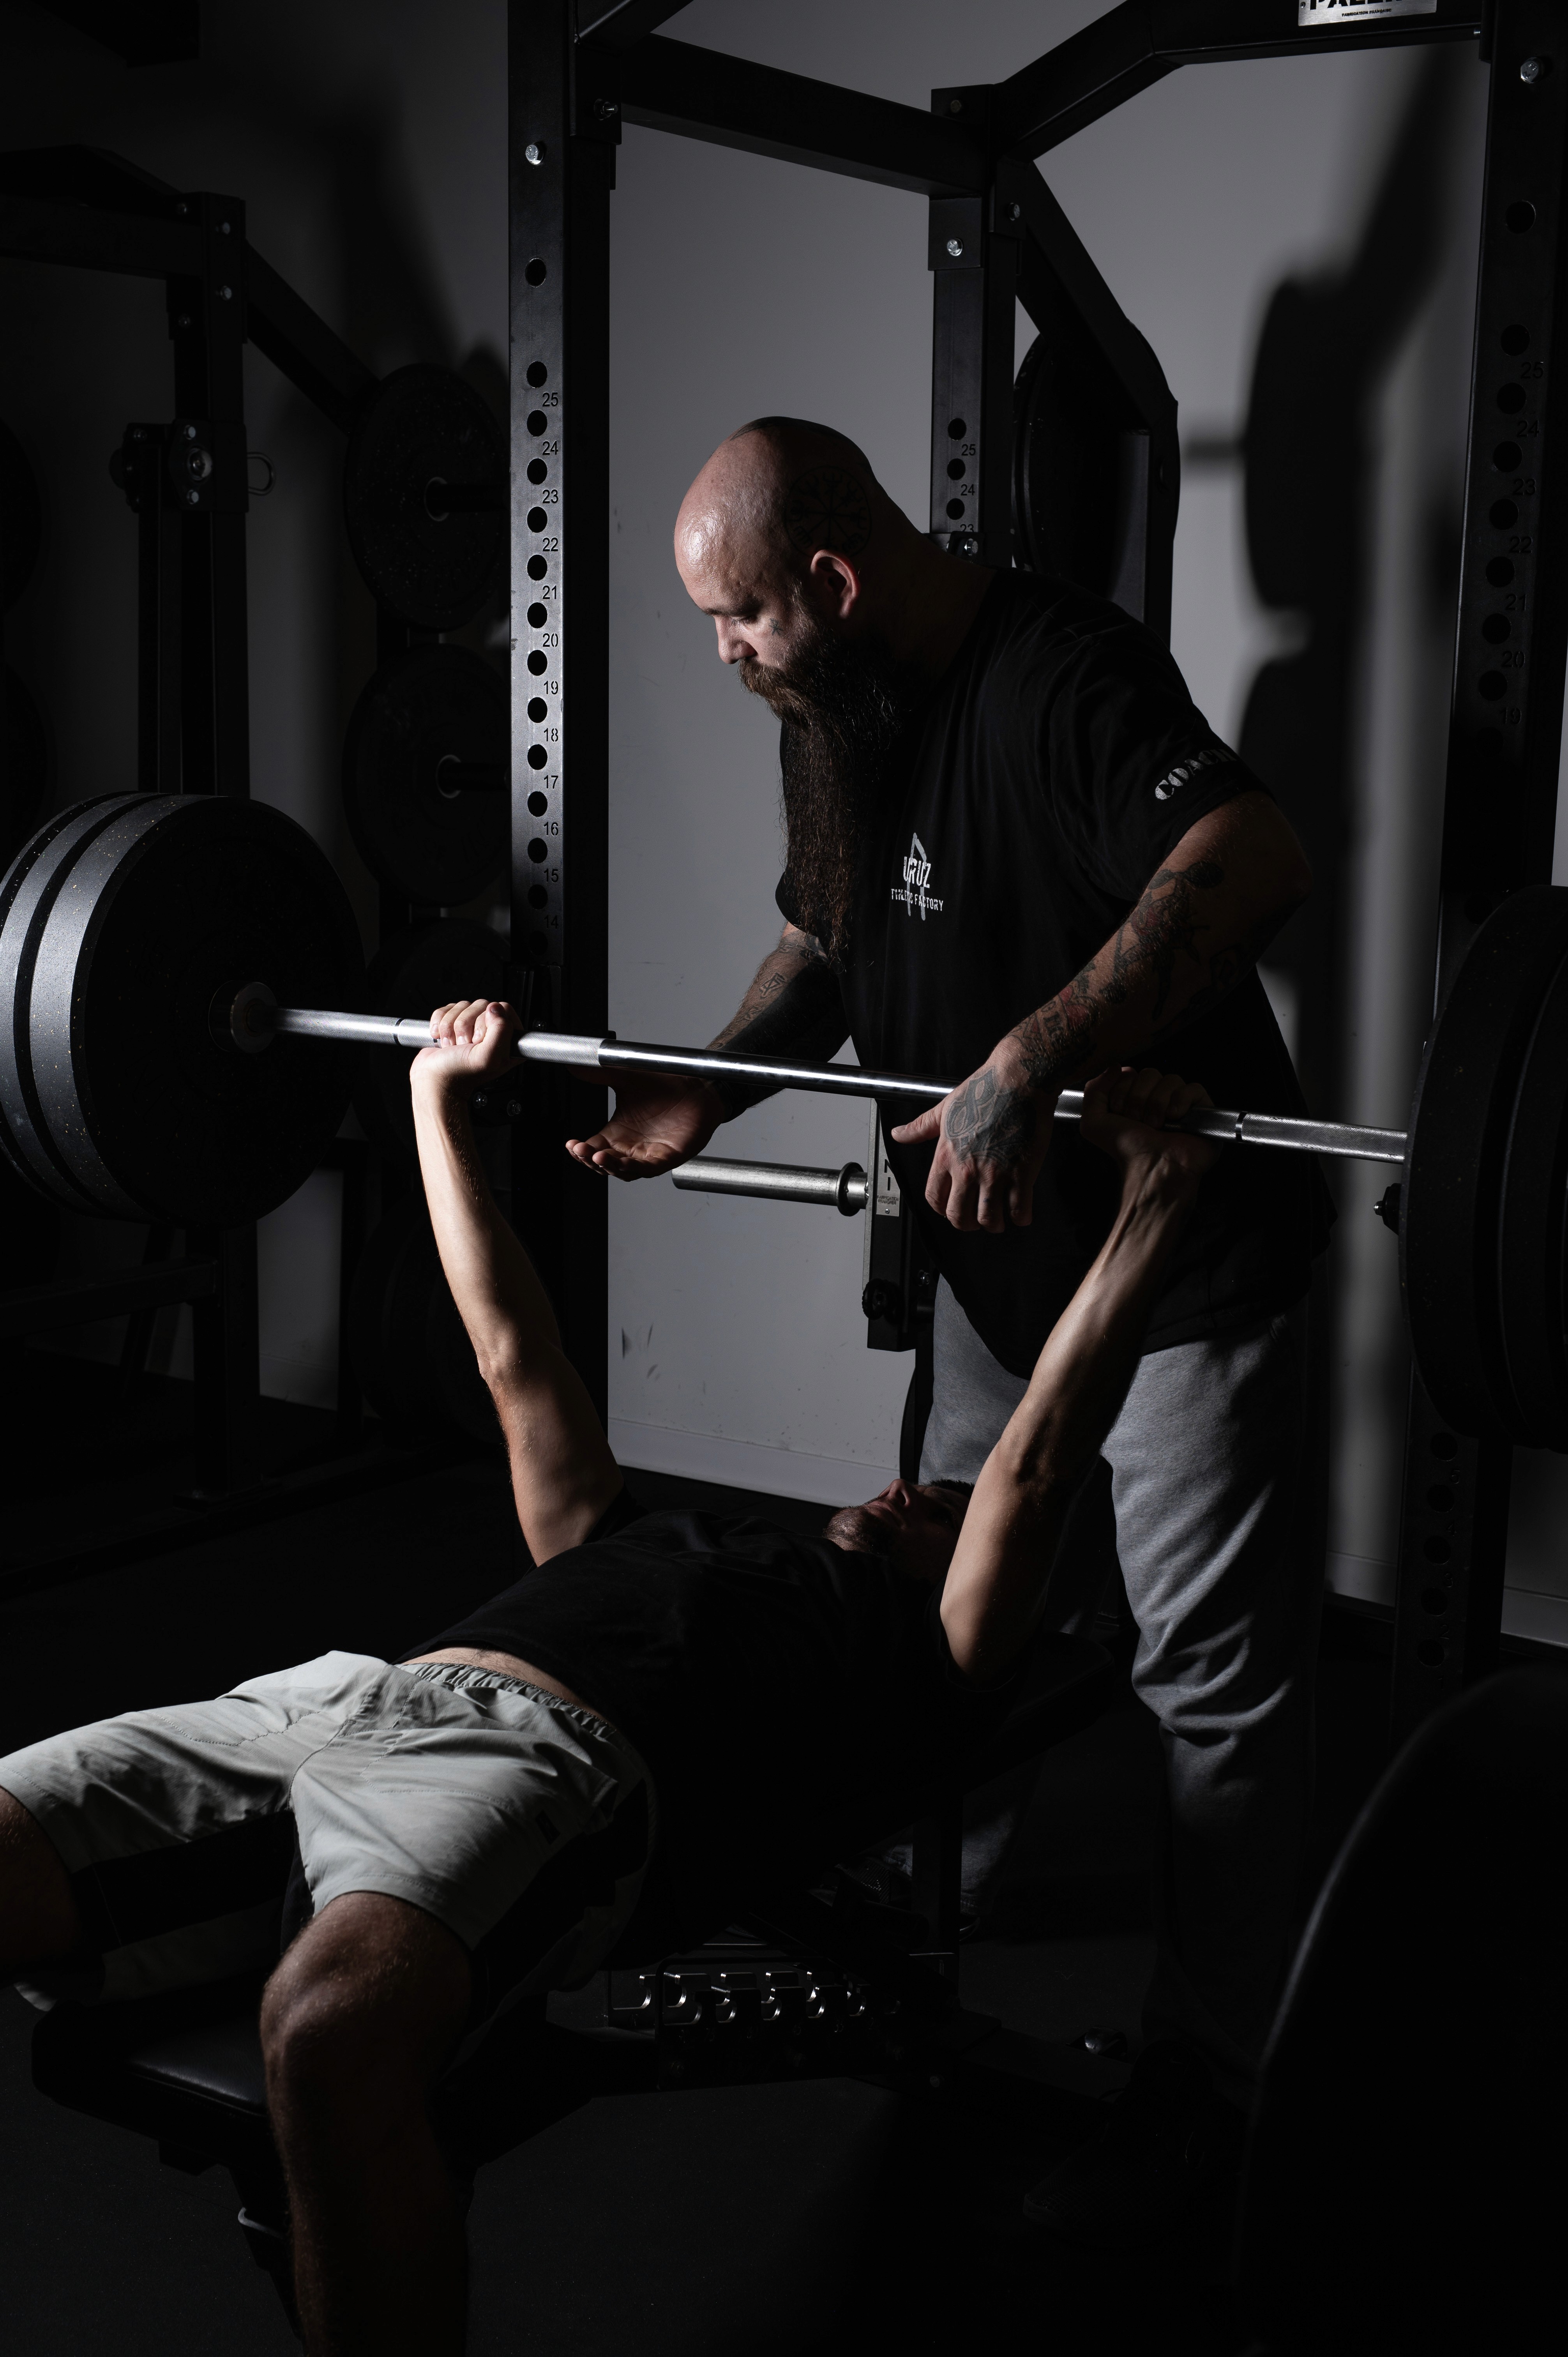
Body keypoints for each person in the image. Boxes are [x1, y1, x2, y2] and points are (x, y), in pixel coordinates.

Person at [0, 1010, 1214, 2357]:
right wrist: (434, 1104)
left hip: (547, 1770)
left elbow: (1039, 1458)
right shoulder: (623, 1535)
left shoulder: (935, 1658)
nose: (900, 1484)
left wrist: (1153, 1202)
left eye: (936, 1503)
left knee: (330, 2034)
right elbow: (514, 1353)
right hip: (335, 1706)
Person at [564, 417, 1332, 2235]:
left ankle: (1221, 2075)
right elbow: (821, 943)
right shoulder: (835, 713)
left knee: (1206, 1689)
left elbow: (1256, 852)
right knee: (949, 1620)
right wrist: (710, 1094)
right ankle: (937, 1912)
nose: (725, 653)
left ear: (828, 582)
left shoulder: (1060, 671)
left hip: (1179, 1256)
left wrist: (1029, 1057)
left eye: (740, 616)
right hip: (998, 1273)